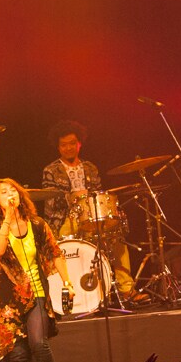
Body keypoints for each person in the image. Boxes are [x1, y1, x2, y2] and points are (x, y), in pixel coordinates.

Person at [0, 178, 73, 362]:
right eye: (4, 192)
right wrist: (8, 221)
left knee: (39, 344)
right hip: (7, 303)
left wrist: (67, 283)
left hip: (36, 293)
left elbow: (55, 252)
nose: (10, 194)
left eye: (14, 190)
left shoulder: (37, 224)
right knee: (18, 356)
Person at [40, 120, 136, 299]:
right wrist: (73, 196)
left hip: (91, 215)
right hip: (65, 218)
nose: (68, 148)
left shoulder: (90, 167)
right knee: (65, 247)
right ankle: (74, 294)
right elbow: (50, 199)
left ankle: (126, 290)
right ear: (58, 147)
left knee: (116, 239)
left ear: (79, 144)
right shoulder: (51, 170)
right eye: (63, 145)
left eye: (71, 143)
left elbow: (99, 192)